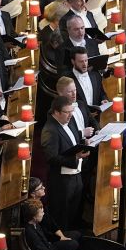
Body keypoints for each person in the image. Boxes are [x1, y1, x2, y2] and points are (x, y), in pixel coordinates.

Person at [41, 96, 91, 230]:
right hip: (62, 182)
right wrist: (75, 158)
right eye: (67, 112)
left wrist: (83, 143)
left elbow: (72, 143)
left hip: (76, 176)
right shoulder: (50, 130)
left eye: (71, 111)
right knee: (62, 215)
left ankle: (72, 237)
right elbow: (51, 158)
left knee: (73, 213)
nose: (70, 115)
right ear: (56, 112)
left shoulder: (69, 121)